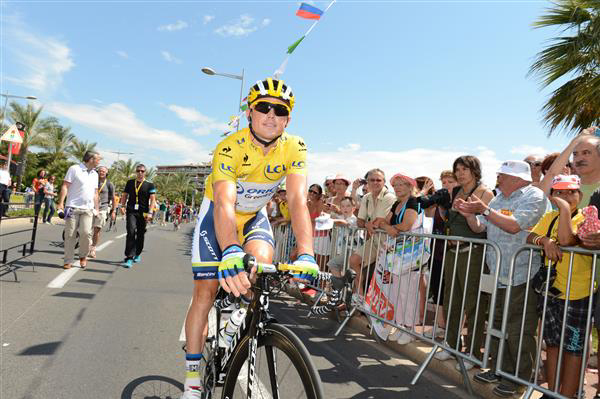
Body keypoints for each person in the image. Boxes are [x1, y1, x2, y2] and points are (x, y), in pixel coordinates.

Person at [180, 78, 319, 398]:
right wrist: (229, 249)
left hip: (254, 216)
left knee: (261, 264)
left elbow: (298, 200)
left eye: (279, 109)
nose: (271, 114)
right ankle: (191, 379)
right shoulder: (229, 147)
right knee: (205, 290)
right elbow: (225, 203)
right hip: (217, 214)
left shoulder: (295, 146)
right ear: (250, 113)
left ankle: (236, 318)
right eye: (263, 108)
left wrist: (307, 252)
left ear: (288, 118)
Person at [456, 160, 548, 397]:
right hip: (498, 271)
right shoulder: (498, 199)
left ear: (517, 178)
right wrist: (469, 214)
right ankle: (498, 368)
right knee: (497, 323)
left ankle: (518, 378)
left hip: (522, 272)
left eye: (503, 175)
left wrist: (483, 210)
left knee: (519, 328)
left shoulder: (534, 196)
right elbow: (479, 228)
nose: (499, 178)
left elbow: (515, 226)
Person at [526, 175, 592, 398]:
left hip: (578, 294)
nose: (566, 196)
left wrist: (564, 210)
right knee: (552, 344)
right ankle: (552, 393)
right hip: (551, 292)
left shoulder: (587, 218)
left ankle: (569, 394)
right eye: (560, 192)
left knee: (573, 348)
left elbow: (566, 240)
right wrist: (544, 241)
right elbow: (530, 235)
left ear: (580, 195)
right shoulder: (549, 217)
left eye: (571, 192)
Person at [434, 156, 494, 369]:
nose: (460, 173)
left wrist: (469, 213)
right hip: (453, 253)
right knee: (452, 300)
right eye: (457, 169)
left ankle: (473, 352)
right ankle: (451, 344)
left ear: (475, 170)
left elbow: (482, 227)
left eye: (464, 169)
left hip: (473, 253)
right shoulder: (456, 191)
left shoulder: (485, 193)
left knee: (474, 303)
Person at [348, 168, 396, 300]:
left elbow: (378, 222)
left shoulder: (389, 197)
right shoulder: (367, 198)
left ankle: (381, 311)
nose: (375, 183)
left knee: (385, 280)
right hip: (375, 241)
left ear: (384, 182)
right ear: (367, 182)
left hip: (389, 244)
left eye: (378, 180)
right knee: (354, 260)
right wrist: (368, 224)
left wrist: (369, 223)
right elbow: (360, 221)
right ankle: (359, 296)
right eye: (372, 180)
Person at [56, 151, 101, 270]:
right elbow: (65, 186)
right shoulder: (74, 169)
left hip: (88, 209)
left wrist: (97, 209)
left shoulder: (95, 174)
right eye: (98, 159)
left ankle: (82, 256)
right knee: (70, 234)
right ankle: (68, 260)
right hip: (72, 207)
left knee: (86, 233)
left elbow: (95, 193)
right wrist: (60, 203)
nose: (99, 161)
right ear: (91, 159)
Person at [119, 164, 156, 268]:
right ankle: (129, 257)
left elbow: (153, 199)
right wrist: (122, 206)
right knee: (130, 232)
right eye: (138, 171)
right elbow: (125, 195)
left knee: (140, 234)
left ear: (145, 173)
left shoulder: (150, 185)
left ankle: (137, 253)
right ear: (136, 172)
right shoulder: (130, 183)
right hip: (131, 211)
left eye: (142, 171)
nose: (140, 173)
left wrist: (150, 212)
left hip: (143, 212)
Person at [89, 166, 116, 258]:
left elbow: (113, 198)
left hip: (102, 208)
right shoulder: (92, 181)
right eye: (100, 171)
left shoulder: (109, 184)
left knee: (97, 230)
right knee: (87, 229)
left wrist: (113, 211)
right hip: (90, 207)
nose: (101, 172)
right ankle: (86, 245)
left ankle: (92, 248)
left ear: (106, 173)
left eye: (103, 171)